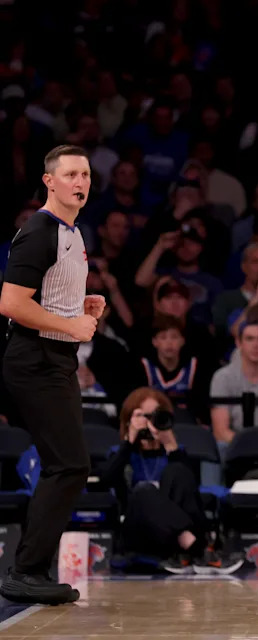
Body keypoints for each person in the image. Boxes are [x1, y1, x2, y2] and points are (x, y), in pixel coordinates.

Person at [0, 145, 101, 605]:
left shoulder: (71, 232)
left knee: (67, 465)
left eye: (85, 174)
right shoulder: (39, 231)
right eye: (71, 175)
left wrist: (79, 307)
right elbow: (12, 305)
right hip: (35, 359)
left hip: (54, 358)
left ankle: (31, 569)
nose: (80, 182)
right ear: (49, 181)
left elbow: (44, 298)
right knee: (69, 465)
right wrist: (72, 325)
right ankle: (25, 570)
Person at [103, 388, 241, 574]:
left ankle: (189, 546)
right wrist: (129, 441)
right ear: (129, 419)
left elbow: (192, 494)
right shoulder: (120, 453)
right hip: (138, 531)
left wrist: (171, 446)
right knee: (144, 490)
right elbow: (105, 481)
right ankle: (200, 549)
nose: (149, 422)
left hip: (171, 538)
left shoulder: (175, 453)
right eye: (143, 416)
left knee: (178, 470)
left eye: (155, 416)